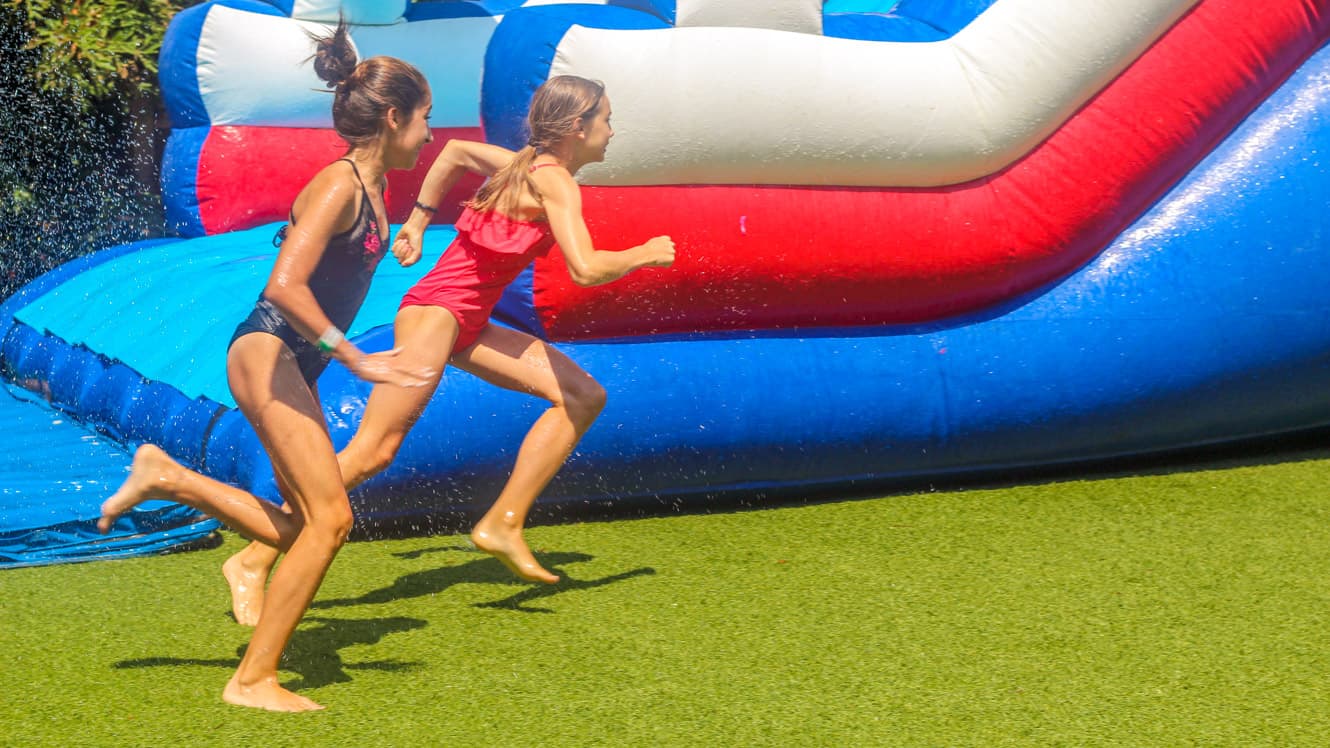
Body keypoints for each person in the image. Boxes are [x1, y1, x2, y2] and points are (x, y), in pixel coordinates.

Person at [220, 74, 675, 616]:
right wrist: (644, 253)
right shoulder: (554, 180)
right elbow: (585, 267)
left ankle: (503, 522)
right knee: (374, 450)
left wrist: (417, 219)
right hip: (437, 313)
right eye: (605, 119)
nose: (612, 131)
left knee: (582, 396)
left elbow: (455, 151)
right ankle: (255, 554)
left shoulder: (522, 165)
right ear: (578, 128)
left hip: (469, 322)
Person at [98, 23, 436, 712]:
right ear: (395, 116)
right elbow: (284, 284)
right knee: (331, 522)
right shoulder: (339, 185)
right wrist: (353, 356)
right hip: (270, 349)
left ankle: (170, 477)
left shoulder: (372, 192)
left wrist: (404, 238)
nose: (430, 135)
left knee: (304, 524)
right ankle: (252, 680)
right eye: (424, 117)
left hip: (291, 360)